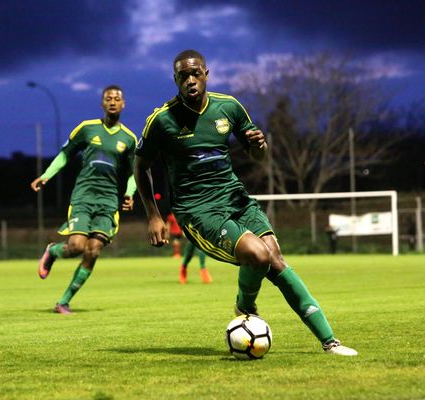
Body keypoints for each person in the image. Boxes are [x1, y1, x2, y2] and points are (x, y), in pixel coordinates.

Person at [134, 50, 357, 356]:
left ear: (206, 74)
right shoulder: (161, 121)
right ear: (175, 80)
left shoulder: (229, 107)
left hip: (235, 197)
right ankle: (246, 305)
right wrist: (153, 216)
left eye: (195, 73)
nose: (190, 80)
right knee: (258, 254)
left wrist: (260, 145)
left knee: (275, 258)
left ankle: (330, 342)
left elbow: (258, 155)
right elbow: (140, 166)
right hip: (197, 211)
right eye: (183, 76)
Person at [31, 85, 137, 315]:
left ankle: (63, 302)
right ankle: (52, 252)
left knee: (93, 250)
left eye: (117, 98)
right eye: (108, 98)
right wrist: (46, 175)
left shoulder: (128, 139)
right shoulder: (87, 129)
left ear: (123, 104)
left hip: (108, 201)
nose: (112, 102)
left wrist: (129, 193)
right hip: (84, 196)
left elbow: (133, 173)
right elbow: (65, 154)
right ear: (102, 103)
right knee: (77, 246)